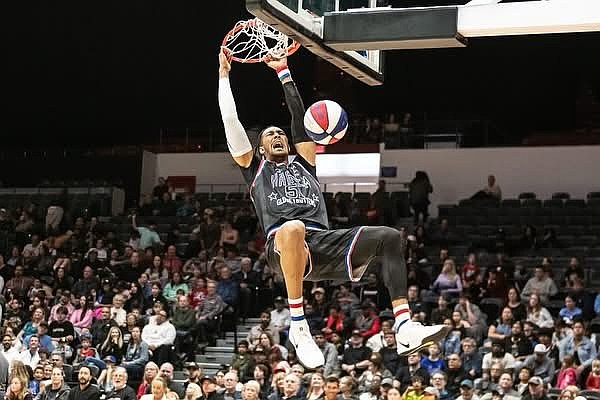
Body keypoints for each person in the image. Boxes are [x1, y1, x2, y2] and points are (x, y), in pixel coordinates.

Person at [217, 49, 448, 368]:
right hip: (281, 248)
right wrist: (223, 76)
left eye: (281, 134)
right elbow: (231, 121)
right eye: (271, 134)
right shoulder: (253, 168)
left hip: (322, 244)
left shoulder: (306, 162)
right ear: (260, 147)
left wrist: (284, 73)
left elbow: (300, 124)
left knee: (390, 237)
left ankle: (405, 326)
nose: (279, 136)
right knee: (293, 228)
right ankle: (299, 326)